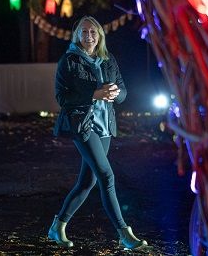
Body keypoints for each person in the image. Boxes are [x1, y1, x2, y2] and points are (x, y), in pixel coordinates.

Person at [48, 16, 148, 250]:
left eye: (93, 32)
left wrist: (115, 94)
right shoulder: (69, 61)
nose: (89, 36)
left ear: (100, 35)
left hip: (105, 126)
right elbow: (62, 97)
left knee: (87, 181)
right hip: (83, 126)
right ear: (77, 36)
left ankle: (57, 226)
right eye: (84, 32)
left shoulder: (108, 59)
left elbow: (123, 90)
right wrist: (94, 94)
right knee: (106, 176)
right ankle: (124, 233)